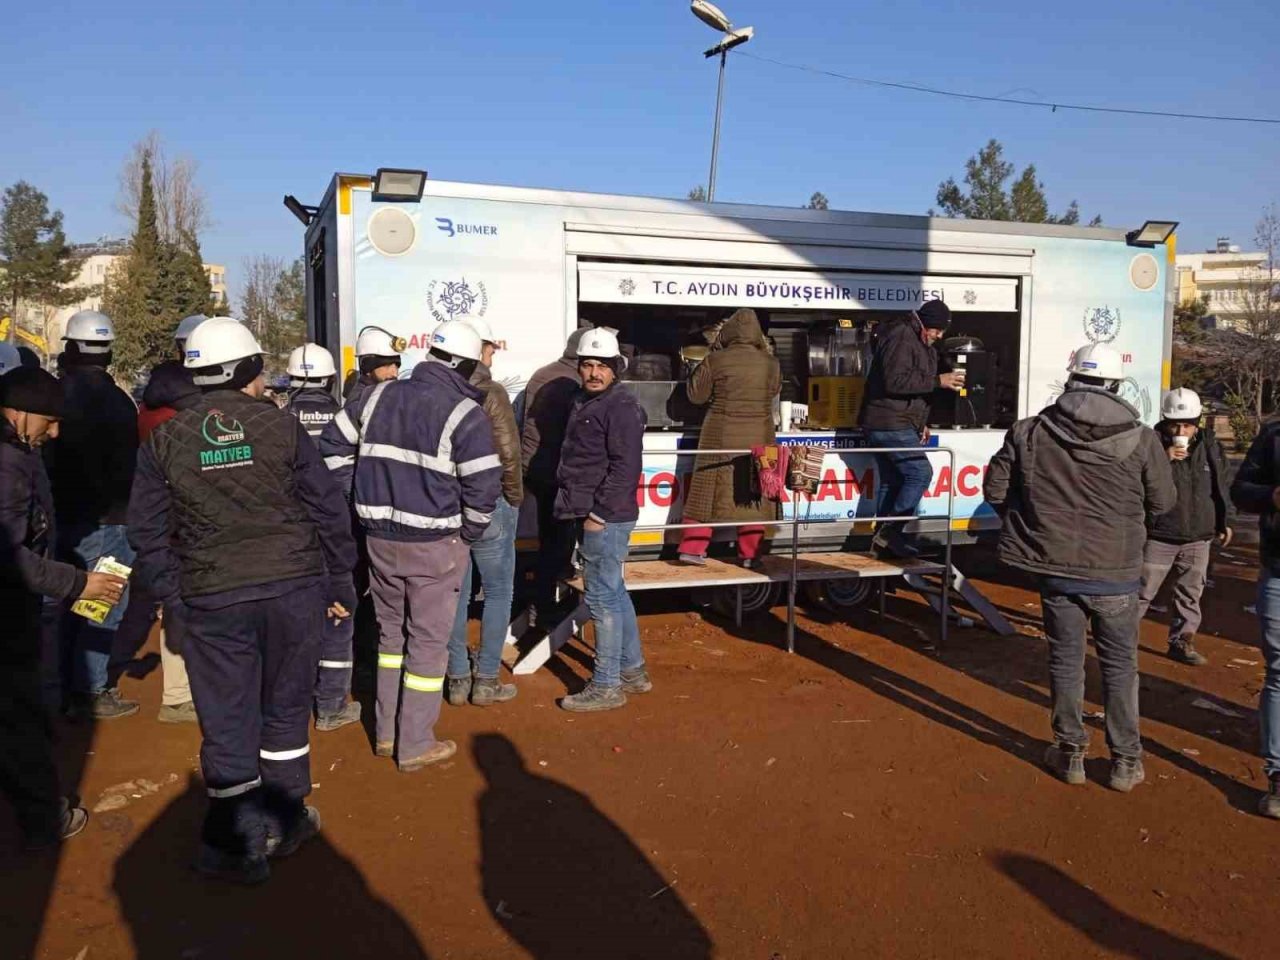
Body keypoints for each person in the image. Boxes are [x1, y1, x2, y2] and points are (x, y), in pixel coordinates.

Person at [127, 317, 357, 883]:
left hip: (212, 601)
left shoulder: (164, 440)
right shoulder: (282, 430)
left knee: (229, 719)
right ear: (253, 370)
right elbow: (328, 509)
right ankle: (288, 818)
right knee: (283, 710)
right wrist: (339, 582)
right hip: (293, 591)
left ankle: (237, 847)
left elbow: (146, 532)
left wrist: (173, 594)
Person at [985, 342, 1174, 793]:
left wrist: (1034, 522)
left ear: (1071, 378)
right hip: (1116, 572)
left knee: (1066, 662)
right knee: (1119, 666)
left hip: (1055, 571)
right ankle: (1126, 762)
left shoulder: (1029, 431)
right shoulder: (1143, 437)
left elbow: (995, 491)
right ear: (1114, 384)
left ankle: (1071, 754)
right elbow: (1164, 503)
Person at [325, 321, 500, 771]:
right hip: (436, 545)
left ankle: (385, 735)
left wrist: (357, 499)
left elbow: (333, 446)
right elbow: (484, 488)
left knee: (389, 639)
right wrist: (468, 533)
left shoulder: (377, 395)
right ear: (462, 364)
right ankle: (416, 743)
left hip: (380, 541)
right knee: (426, 646)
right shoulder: (465, 413)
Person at [2, 367, 123, 847]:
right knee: (19, 719)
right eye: (49, 422)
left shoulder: (16, 455)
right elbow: (9, 558)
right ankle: (42, 817)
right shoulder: (9, 465)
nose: (54, 433)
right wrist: (78, 583)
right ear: (21, 411)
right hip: (9, 618)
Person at [46, 310, 140, 719]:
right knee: (101, 606)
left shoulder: (56, 396)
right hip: (113, 520)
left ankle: (62, 687)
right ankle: (90, 690)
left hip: (64, 518)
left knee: (63, 601)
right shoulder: (120, 401)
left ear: (70, 348)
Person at [554, 328, 647, 713]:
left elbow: (627, 468)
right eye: (588, 365)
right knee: (613, 591)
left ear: (615, 369)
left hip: (603, 517)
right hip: (589, 510)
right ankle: (632, 671)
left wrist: (598, 515)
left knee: (601, 598)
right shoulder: (585, 400)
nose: (594, 373)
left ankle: (607, 684)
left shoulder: (620, 407)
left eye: (601, 367)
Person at [283, 342, 361, 733]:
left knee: (295, 622)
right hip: (335, 536)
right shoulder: (345, 417)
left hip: (291, 541)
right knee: (339, 621)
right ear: (330, 378)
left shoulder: (277, 419)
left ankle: (292, 706)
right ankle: (330, 706)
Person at [446, 318, 523, 707]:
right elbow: (508, 452)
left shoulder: (436, 391)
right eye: (491, 348)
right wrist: (514, 499)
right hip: (490, 501)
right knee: (498, 591)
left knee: (455, 594)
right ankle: (487, 679)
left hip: (451, 506)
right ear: (481, 350)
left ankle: (458, 677)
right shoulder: (491, 392)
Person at [132, 338, 204, 724]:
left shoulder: (145, 412)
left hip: (160, 520)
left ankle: (177, 694)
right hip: (193, 518)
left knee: (173, 603)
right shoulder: (188, 419)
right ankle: (197, 689)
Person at [858, 300, 963, 557]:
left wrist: (920, 422)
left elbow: (907, 387)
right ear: (925, 324)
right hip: (889, 422)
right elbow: (896, 381)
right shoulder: (902, 336)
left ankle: (881, 542)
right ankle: (890, 534)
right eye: (937, 331)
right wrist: (939, 380)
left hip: (891, 420)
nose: (938, 337)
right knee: (920, 473)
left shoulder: (912, 337)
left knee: (892, 481)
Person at [677, 308, 780, 568]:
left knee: (706, 492)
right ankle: (750, 555)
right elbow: (775, 390)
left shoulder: (716, 359)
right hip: (760, 433)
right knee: (754, 492)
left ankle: (693, 549)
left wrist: (705, 362)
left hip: (718, 434)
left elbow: (696, 396)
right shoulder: (771, 363)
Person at [1137, 388, 1231, 666]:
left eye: (1188, 424)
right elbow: (1133, 482)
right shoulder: (1150, 445)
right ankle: (1122, 639)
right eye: (1174, 423)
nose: (1181, 429)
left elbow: (1221, 485)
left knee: (1190, 594)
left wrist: (1224, 521)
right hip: (1158, 534)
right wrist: (1163, 459)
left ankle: (1182, 641)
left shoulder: (1211, 446)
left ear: (1198, 422)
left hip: (1198, 536)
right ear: (1164, 421)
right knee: (1142, 591)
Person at [1229, 414, 1280, 819]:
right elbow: (1241, 491)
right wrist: (1273, 497)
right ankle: (1278, 775)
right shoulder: (1273, 437)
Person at [521, 327, 587, 624]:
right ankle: (545, 606)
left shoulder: (544, 372)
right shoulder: (571, 381)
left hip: (534, 467)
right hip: (553, 470)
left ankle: (544, 602)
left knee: (550, 536)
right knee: (559, 540)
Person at [343, 325, 404, 402]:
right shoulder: (360, 402)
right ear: (367, 368)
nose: (394, 373)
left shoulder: (388, 394)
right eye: (387, 365)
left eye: (396, 365)